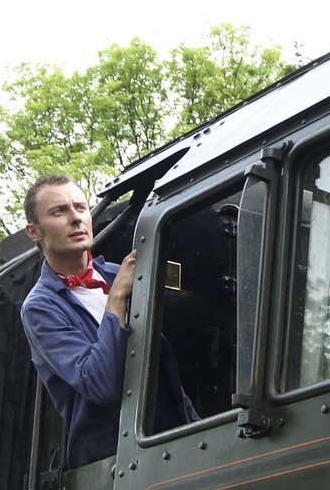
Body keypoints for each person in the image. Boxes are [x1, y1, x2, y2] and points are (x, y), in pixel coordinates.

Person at [20, 174, 198, 467]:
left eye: (80, 207)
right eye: (59, 211)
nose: (76, 218)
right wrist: (116, 299)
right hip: (116, 463)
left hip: (177, 439)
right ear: (34, 232)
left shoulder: (120, 273)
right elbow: (100, 385)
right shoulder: (40, 308)